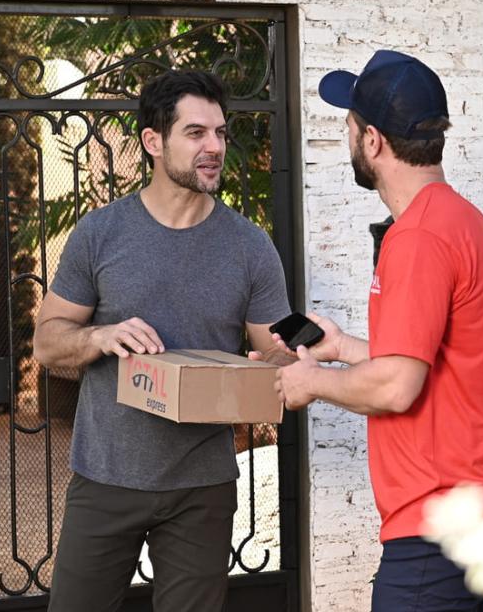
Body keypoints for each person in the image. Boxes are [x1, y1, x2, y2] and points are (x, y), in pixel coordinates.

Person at [269, 50, 483, 612]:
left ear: (372, 142)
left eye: (349, 125)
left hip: (439, 536)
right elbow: (438, 364)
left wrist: (312, 382)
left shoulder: (415, 239)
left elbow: (395, 387)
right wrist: (341, 349)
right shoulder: (464, 223)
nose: (348, 137)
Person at [32, 70, 290, 612]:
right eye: (196, 134)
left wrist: (271, 365)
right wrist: (102, 335)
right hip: (106, 477)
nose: (214, 147)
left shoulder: (249, 246)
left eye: (220, 133)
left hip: (202, 486)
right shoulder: (101, 234)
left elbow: (279, 355)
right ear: (154, 141)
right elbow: (48, 343)